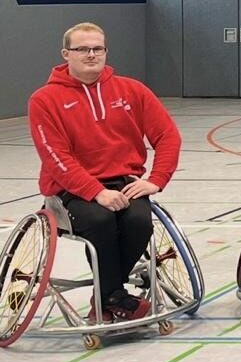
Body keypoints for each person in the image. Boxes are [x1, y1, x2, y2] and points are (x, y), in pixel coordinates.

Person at [29, 22, 181, 322]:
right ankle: (114, 296)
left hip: (125, 181)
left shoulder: (132, 90)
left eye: (97, 48)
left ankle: (107, 297)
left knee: (138, 222)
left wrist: (156, 179)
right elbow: (56, 157)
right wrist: (96, 191)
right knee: (100, 221)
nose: (91, 54)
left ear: (105, 51)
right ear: (66, 54)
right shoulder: (44, 100)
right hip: (71, 188)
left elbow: (168, 136)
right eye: (82, 49)